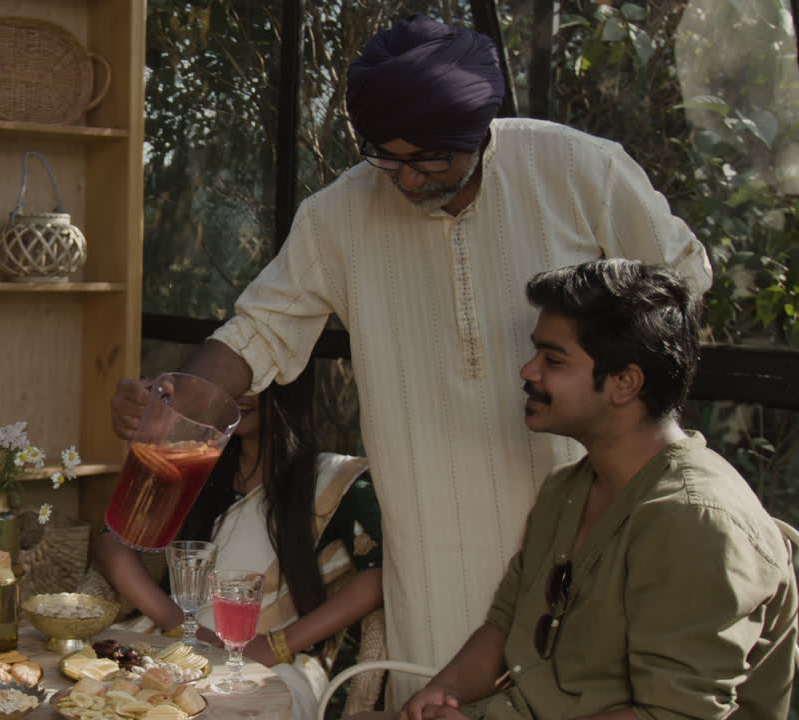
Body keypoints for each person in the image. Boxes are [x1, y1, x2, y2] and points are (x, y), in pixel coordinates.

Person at [111, 13, 713, 702]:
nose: (404, 180)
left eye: (430, 159)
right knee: (435, 695)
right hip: (429, 538)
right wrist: (179, 402)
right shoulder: (338, 216)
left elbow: (681, 286)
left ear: (481, 132)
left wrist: (632, 420)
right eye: (385, 157)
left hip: (579, 507)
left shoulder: (579, 171)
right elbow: (258, 331)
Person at [381, 259, 796, 720]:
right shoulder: (569, 488)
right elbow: (505, 624)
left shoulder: (696, 520)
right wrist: (440, 695)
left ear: (624, 383)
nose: (528, 370)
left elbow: (673, 715)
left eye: (552, 360)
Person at [95, 373, 384, 720]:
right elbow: (112, 544)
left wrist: (276, 645)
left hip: (276, 664)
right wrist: (176, 622)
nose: (243, 391)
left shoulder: (334, 480)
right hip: (176, 643)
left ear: (290, 382)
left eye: (258, 378)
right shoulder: (199, 462)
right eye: (237, 375)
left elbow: (379, 577)